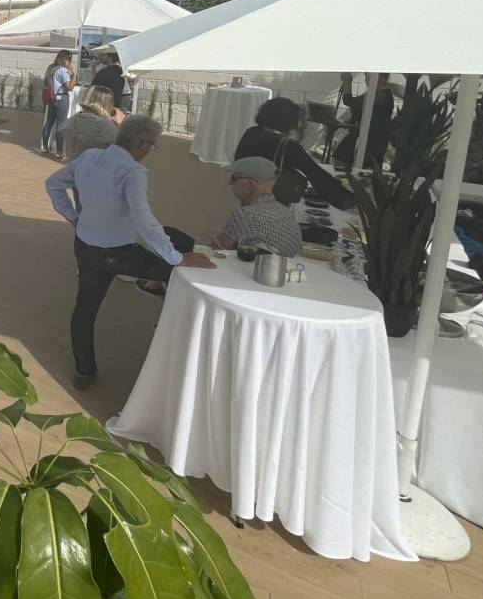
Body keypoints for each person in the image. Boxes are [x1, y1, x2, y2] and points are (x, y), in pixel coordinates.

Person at [46, 114, 214, 388]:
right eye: (153, 146)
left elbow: (52, 183)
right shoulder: (132, 172)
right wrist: (177, 258)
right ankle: (176, 343)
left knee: (85, 310)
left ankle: (83, 370)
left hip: (86, 247)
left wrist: (73, 217)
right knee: (177, 273)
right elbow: (144, 220)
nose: (150, 152)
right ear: (142, 143)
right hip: (118, 254)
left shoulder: (89, 157)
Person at [234, 96, 354, 210]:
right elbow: (317, 175)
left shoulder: (251, 132)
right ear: (289, 121)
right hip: (272, 201)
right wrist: (347, 199)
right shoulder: (287, 145)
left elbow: (238, 162)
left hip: (245, 193)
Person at [211, 156, 302, 257]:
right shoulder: (286, 211)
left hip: (260, 266)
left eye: (234, 178)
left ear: (250, 184)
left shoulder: (247, 214)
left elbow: (219, 250)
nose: (230, 182)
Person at [333, 72, 394, 169]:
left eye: (367, 74)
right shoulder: (377, 94)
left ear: (382, 78)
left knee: (343, 160)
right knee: (341, 158)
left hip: (371, 140)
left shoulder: (380, 95)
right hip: (365, 136)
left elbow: (349, 101)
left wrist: (347, 82)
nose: (366, 78)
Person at [63, 85, 122, 161]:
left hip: (74, 165)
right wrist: (120, 124)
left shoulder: (71, 120)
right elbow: (125, 149)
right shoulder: (103, 126)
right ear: (108, 104)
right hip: (96, 166)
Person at [41, 49, 76, 157]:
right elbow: (70, 87)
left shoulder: (51, 69)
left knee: (49, 123)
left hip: (51, 98)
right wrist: (74, 74)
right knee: (61, 125)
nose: (70, 62)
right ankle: (59, 152)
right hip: (62, 98)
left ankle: (45, 147)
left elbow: (46, 83)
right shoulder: (63, 71)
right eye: (69, 59)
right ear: (66, 59)